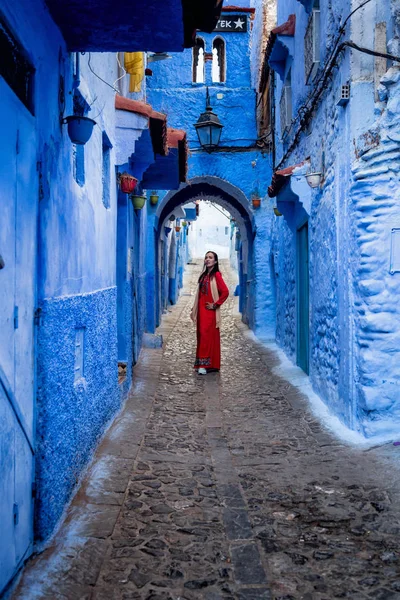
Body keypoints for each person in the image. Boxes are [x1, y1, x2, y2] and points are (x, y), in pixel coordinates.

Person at [191, 251, 229, 374]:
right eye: (206, 257)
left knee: (206, 336)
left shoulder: (216, 275)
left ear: (215, 261)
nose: (207, 259)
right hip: (201, 312)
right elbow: (200, 295)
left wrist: (215, 304)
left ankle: (204, 365)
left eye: (210, 257)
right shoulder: (203, 276)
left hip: (209, 312)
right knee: (202, 336)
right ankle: (210, 364)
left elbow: (225, 292)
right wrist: (195, 308)